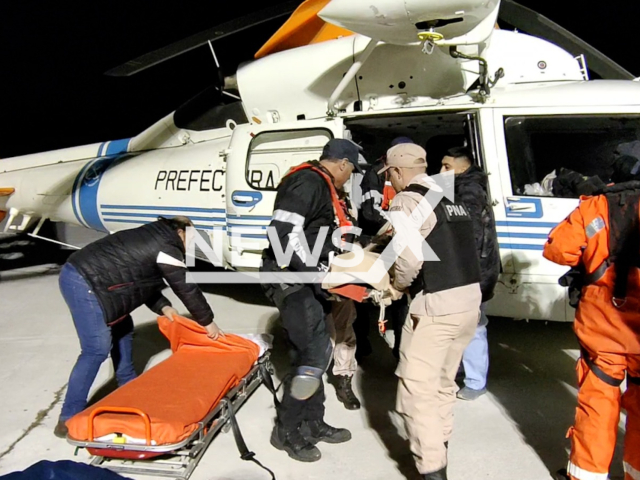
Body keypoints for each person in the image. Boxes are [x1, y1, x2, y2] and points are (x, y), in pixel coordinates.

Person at [54, 216, 220, 438]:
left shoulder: (154, 235)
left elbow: (139, 276)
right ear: (180, 232)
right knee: (96, 348)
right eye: (191, 237)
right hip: (84, 281)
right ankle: (68, 416)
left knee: (123, 325)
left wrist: (163, 307)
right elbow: (186, 288)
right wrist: (207, 321)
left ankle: (128, 385)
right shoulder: (166, 246)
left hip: (101, 282)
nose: (191, 244)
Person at [384, 143, 482, 480]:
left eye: (390, 176)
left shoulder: (405, 200)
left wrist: (395, 285)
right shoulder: (448, 194)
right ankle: (438, 443)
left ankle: (432, 469)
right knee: (442, 381)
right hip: (469, 299)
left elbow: (410, 258)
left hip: (438, 303)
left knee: (415, 389)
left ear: (397, 172)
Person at [260, 138, 361, 462]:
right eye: (352, 171)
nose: (350, 177)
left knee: (314, 351)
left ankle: (313, 423)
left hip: (306, 279)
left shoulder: (322, 183)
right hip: (291, 279)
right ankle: (286, 431)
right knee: (315, 353)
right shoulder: (307, 181)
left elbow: (316, 234)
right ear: (342, 164)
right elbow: (282, 233)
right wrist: (317, 273)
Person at [543, 180, 640, 480]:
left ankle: (587, 475)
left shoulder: (594, 206)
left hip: (603, 324)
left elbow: (558, 250)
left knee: (598, 404)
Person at [441, 147, 500, 400]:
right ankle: (461, 372)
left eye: (446, 166)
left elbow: (471, 235)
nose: (441, 171)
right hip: (472, 268)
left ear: (462, 167)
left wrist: (463, 271)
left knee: (473, 325)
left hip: (473, 270)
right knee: (463, 324)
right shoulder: (462, 186)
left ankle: (475, 382)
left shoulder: (468, 191)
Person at [355, 136, 413, 359]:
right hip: (376, 240)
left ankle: (400, 352)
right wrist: (395, 226)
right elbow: (370, 212)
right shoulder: (377, 173)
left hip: (398, 241)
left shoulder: (409, 174)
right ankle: (361, 346)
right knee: (361, 293)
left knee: (401, 297)